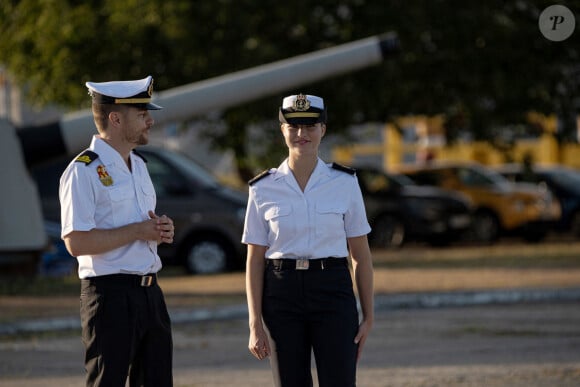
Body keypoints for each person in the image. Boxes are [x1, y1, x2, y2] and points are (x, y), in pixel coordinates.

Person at [242, 93, 374, 387]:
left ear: (323, 129)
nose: (302, 134)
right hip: (281, 293)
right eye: (294, 126)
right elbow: (254, 259)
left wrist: (368, 316)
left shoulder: (345, 183)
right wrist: (254, 323)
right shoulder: (262, 188)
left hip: (333, 291)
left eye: (311, 126)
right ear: (282, 130)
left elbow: (360, 255)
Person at [59, 75, 175, 387]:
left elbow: (141, 227)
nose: (150, 121)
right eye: (142, 114)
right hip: (109, 296)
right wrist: (139, 230)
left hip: (150, 293)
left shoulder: (139, 165)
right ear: (115, 118)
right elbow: (76, 242)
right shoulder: (82, 171)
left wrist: (160, 229)